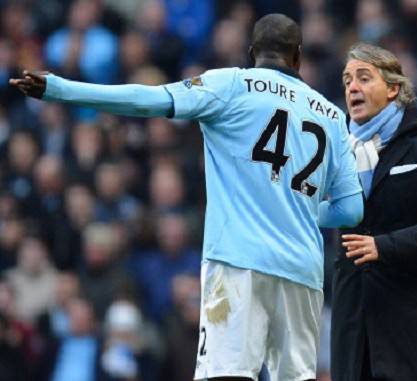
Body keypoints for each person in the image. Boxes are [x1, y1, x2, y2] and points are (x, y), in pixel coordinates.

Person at [10, 14, 364, 381]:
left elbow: (147, 99)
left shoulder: (231, 84)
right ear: (298, 57)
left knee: (225, 373)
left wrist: (60, 89)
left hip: (237, 260)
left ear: (251, 51)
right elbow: (351, 210)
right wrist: (298, 209)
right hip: (301, 269)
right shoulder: (332, 116)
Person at [331, 42, 417, 381]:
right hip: (355, 332)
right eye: (347, 81)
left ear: (393, 88)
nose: (353, 88)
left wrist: (382, 247)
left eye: (364, 78)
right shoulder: (337, 155)